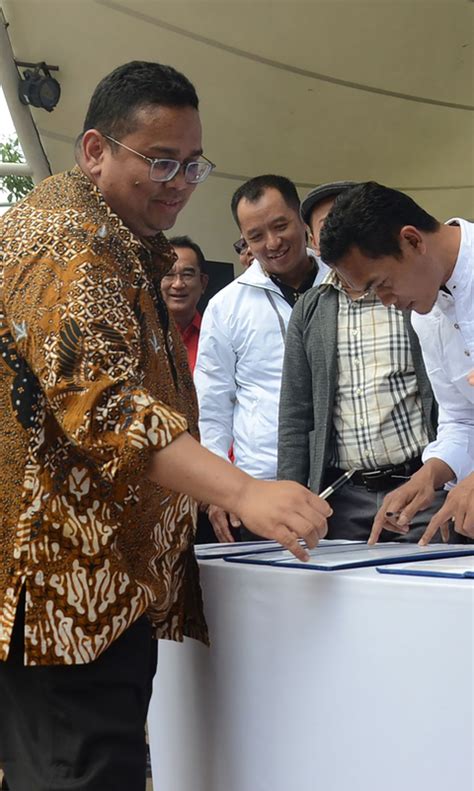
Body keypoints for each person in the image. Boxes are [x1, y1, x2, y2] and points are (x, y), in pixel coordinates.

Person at [0, 62, 331, 791]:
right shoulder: (65, 240)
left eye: (193, 163)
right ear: (94, 151)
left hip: (97, 591)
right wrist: (245, 490)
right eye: (160, 160)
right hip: (65, 598)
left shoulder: (113, 235)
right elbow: (105, 405)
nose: (180, 181)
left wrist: (204, 485)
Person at [278, 181, 444, 541]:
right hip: (344, 495)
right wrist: (290, 496)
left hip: (418, 484)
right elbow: (296, 410)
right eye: (327, 225)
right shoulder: (311, 309)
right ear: (314, 240)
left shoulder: (409, 294)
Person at [319, 180, 474, 543]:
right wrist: (431, 474)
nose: (386, 301)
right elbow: (461, 418)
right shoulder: (426, 315)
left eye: (382, 283)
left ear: (413, 240)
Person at [194, 174, 323, 542]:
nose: (273, 243)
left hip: (341, 480)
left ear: (302, 219)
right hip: (262, 488)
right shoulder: (226, 306)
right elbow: (212, 405)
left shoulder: (344, 283)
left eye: (280, 225)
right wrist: (219, 490)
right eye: (255, 236)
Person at [160, 235, 208, 372]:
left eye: (187, 274)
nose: (178, 284)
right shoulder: (141, 336)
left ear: (203, 283)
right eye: (168, 274)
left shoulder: (218, 335)